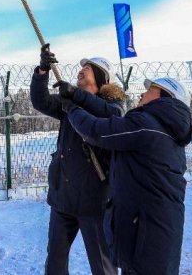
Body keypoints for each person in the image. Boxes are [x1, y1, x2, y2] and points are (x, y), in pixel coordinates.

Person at [62, 76, 192, 275]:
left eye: (150, 89)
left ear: (165, 97)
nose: (143, 93)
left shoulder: (146, 124)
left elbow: (96, 131)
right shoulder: (168, 130)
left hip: (144, 230)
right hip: (157, 226)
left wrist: (72, 108)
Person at [30, 44, 125, 275]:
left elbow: (114, 115)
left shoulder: (112, 106)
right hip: (63, 197)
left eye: (89, 68)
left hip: (94, 202)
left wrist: (74, 95)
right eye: (82, 67)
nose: (81, 70)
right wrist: (42, 72)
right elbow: (41, 102)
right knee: (55, 262)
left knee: (103, 265)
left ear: (101, 78)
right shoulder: (68, 103)